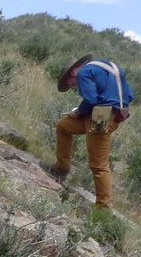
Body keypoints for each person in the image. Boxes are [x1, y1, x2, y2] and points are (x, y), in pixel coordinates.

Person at [49, 53, 134, 210]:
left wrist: (78, 112)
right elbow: (130, 95)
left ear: (73, 71)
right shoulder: (112, 67)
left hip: (102, 115)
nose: (74, 87)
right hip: (110, 114)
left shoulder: (83, 73)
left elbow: (90, 100)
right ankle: (61, 167)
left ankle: (103, 208)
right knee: (64, 126)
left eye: (71, 84)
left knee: (99, 165)